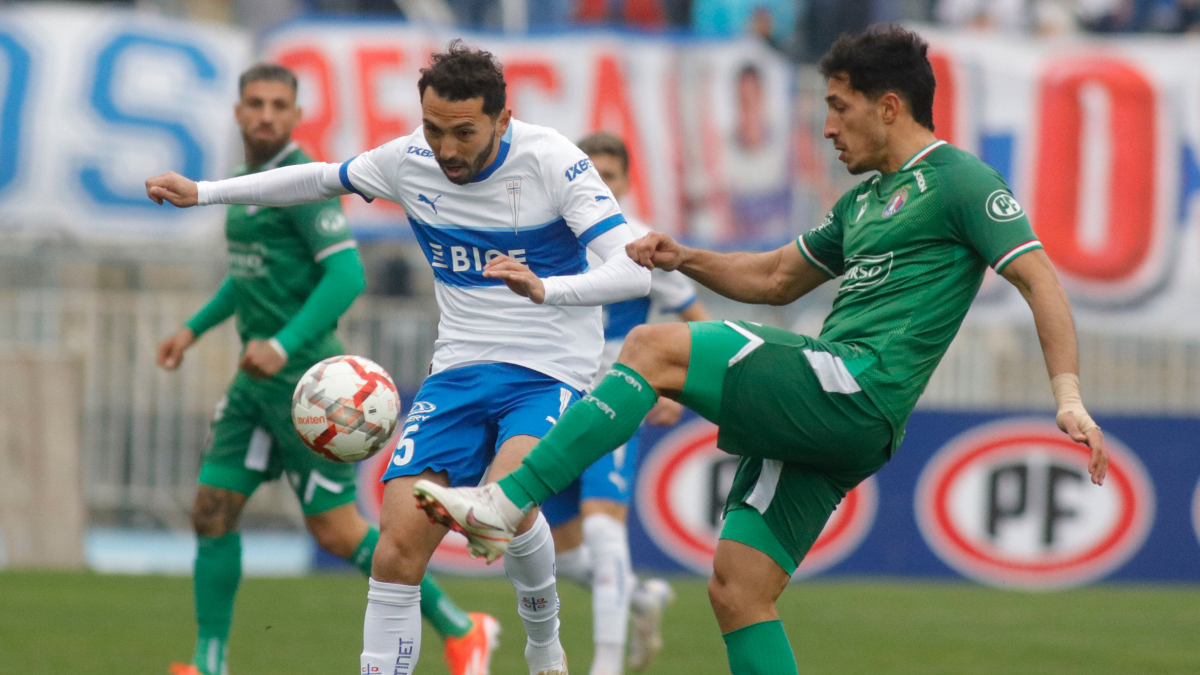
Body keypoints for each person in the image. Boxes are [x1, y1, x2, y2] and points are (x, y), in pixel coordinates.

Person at [410, 26, 1110, 675]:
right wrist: (683, 257)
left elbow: (1036, 275)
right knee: (737, 588)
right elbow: (776, 278)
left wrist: (1069, 395)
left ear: (889, 106)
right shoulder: (862, 204)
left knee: (654, 345)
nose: (828, 127)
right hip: (838, 419)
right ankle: (510, 504)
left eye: (839, 108)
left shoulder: (959, 179)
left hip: (854, 386)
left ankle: (508, 501)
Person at [147, 43, 652, 675]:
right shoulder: (410, 160)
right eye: (434, 129)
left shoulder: (555, 161)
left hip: (547, 371)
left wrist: (546, 288)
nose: (445, 149)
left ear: (502, 119)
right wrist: (204, 191)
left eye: (463, 133)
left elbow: (633, 275)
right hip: (458, 371)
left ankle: (544, 646)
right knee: (395, 549)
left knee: (506, 505)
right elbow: (316, 177)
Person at [154, 63, 498, 675]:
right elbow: (250, 273)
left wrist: (284, 345)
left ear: (294, 115)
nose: (264, 114)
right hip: (253, 384)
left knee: (338, 533)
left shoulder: (297, 189)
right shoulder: (242, 183)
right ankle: (208, 663)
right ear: (238, 112)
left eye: (277, 104)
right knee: (211, 508)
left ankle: (463, 627)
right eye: (253, 102)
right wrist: (194, 327)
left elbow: (347, 275)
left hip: (310, 388)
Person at [541, 132, 711, 675]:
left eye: (610, 175)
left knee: (602, 529)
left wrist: (672, 387)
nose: (601, 184)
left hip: (614, 403)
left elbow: (700, 325)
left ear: (625, 182)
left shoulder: (639, 246)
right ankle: (639, 596)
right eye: (591, 172)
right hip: (552, 402)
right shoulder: (549, 242)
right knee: (563, 553)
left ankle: (606, 665)